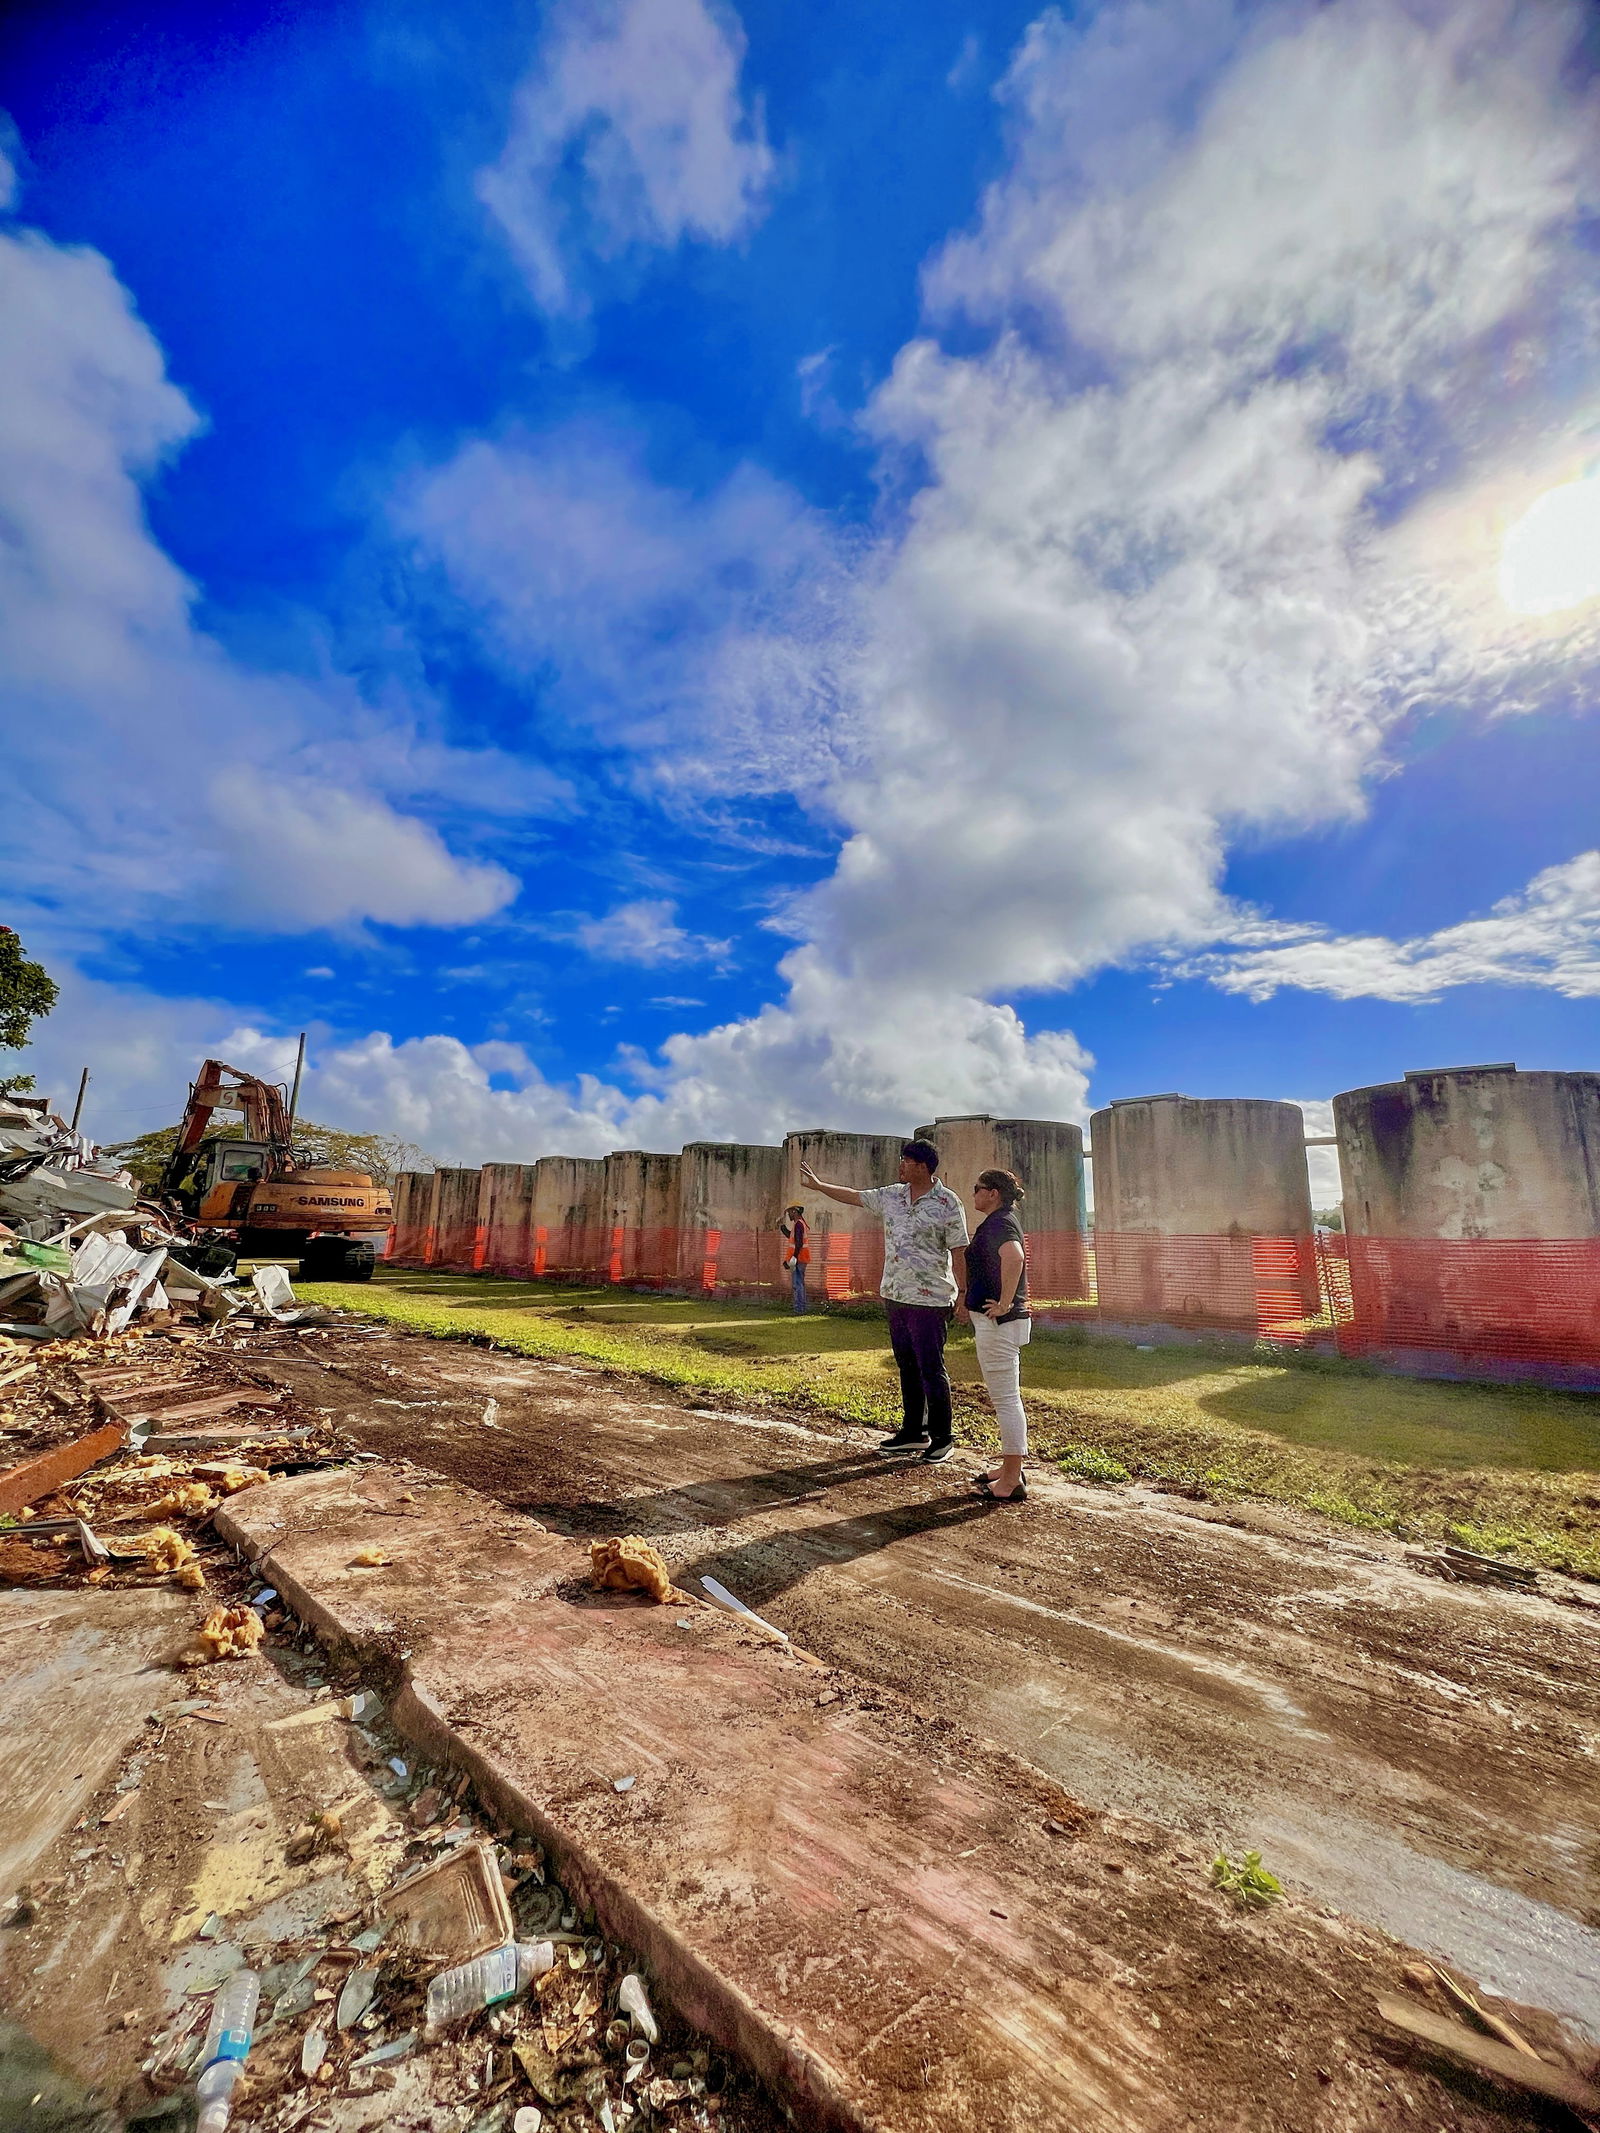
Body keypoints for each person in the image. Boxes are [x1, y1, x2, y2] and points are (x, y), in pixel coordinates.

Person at [799, 1138, 968, 1462]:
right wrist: (820, 1186)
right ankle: (913, 1433)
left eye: (905, 1161)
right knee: (907, 1366)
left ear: (922, 1166)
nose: (900, 1166)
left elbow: (959, 1249)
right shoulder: (892, 1195)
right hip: (895, 1294)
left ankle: (942, 1438)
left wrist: (962, 1293)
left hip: (931, 1299)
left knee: (931, 1368)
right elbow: (854, 1196)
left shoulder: (948, 1202)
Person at [960, 1168, 1032, 1502]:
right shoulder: (999, 1221)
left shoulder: (1000, 1222)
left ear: (993, 1193)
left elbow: (1014, 1257)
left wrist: (1004, 1303)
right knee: (1006, 1398)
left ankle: (1011, 1481)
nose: (973, 1193)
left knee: (1006, 1400)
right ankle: (1008, 1470)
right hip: (997, 1323)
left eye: (977, 1188)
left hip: (999, 1324)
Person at [778, 1202, 810, 1314]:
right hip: (799, 1258)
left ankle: (799, 1310)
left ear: (794, 1211)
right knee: (798, 1283)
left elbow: (799, 1243)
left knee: (798, 1284)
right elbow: (791, 1236)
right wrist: (782, 1227)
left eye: (789, 1212)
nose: (789, 1215)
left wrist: (793, 1259)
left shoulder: (799, 1225)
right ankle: (800, 1308)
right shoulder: (798, 1224)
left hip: (798, 1259)